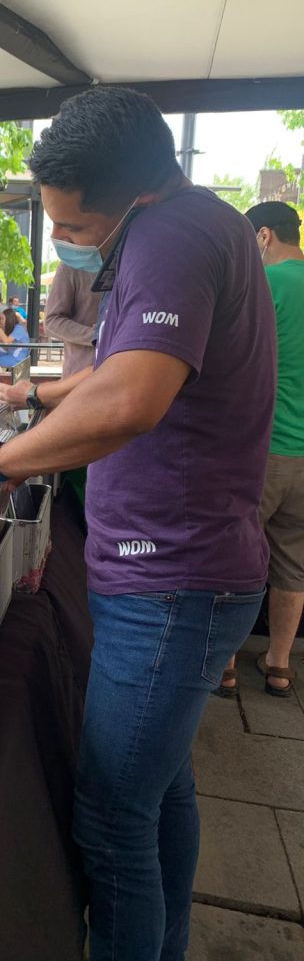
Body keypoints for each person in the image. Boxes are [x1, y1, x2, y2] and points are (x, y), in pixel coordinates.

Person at [0, 87, 275, 961]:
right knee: (160, 793)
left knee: (111, 817)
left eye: (72, 221)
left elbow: (134, 400)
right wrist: (32, 393)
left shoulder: (172, 237)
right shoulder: (196, 221)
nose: (64, 233)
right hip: (181, 570)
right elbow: (120, 371)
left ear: (131, 195)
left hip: (172, 578)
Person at [218, 201, 304, 698]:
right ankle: (278, 665)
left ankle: (226, 665)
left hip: (261, 451)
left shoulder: (263, 287)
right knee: (293, 562)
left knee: (236, 556)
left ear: (264, 236)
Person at [44, 263, 104, 377]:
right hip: (81, 371)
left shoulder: (129, 261)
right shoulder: (70, 266)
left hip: (124, 370)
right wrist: (97, 336)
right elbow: (51, 321)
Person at [0, 307, 29, 372]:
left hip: (17, 358)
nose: (0, 321)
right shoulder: (13, 328)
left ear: (9, 319)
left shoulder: (19, 328)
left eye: (2, 319)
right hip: (10, 354)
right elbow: (6, 345)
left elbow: (6, 342)